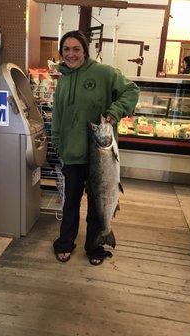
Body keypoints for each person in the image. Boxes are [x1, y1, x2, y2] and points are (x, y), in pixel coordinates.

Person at [51, 30, 139, 265]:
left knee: (97, 204)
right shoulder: (63, 80)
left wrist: (114, 112)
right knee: (70, 202)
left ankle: (95, 247)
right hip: (72, 155)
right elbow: (58, 117)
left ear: (85, 50)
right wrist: (58, 143)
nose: (71, 54)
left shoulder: (103, 73)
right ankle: (65, 243)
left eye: (76, 49)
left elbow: (132, 90)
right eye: (66, 49)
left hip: (100, 154)